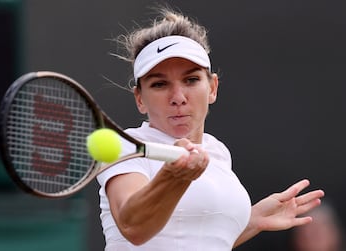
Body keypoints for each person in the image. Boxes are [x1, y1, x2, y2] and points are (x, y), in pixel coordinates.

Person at [96, 6, 325, 251]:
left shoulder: (218, 152)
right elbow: (134, 227)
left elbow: (197, 240)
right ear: (140, 99)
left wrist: (253, 220)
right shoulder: (126, 145)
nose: (178, 97)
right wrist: (174, 178)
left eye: (191, 80)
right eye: (160, 84)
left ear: (212, 87)